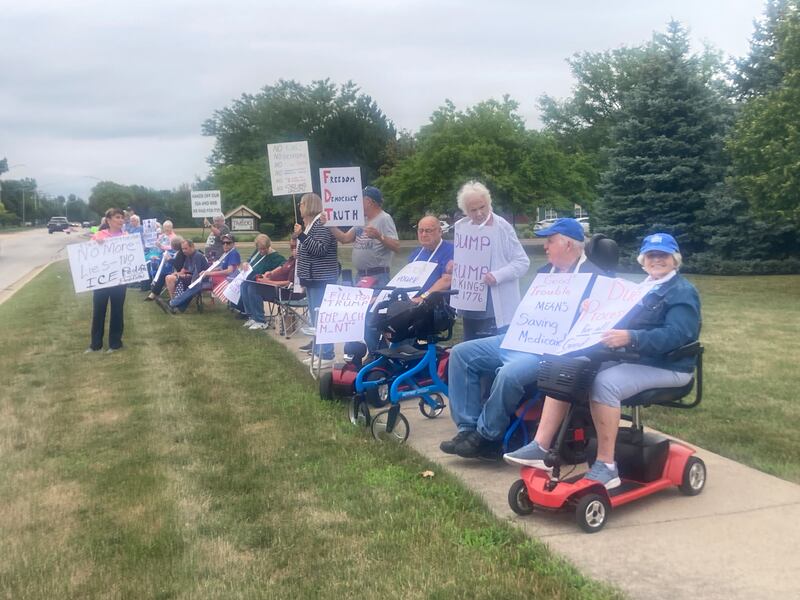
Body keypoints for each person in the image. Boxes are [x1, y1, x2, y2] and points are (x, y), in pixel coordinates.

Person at [504, 233, 701, 490]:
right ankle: (540, 446)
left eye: (663, 255)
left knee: (605, 383)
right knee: (568, 368)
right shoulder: (640, 289)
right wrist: (595, 309)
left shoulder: (682, 292)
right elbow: (616, 317)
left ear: (675, 259)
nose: (657, 260)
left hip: (668, 365)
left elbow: (677, 335)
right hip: (634, 359)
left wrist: (631, 337)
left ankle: (607, 466)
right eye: (651, 255)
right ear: (643, 260)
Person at [441, 217, 611, 459]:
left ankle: (486, 435)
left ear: (569, 245)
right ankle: (466, 428)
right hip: (522, 338)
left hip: (553, 351)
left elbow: (600, 325)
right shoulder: (544, 274)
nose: (545, 246)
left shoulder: (596, 279)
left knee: (509, 374)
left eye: (550, 241)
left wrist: (588, 312)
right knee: (461, 353)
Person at [453, 181, 529, 340]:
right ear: (465, 211)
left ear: (489, 203)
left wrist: (498, 275)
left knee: (490, 351)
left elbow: (522, 262)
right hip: (470, 306)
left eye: (482, 207)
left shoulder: (502, 227)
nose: (479, 213)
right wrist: (454, 265)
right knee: (469, 349)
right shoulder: (462, 228)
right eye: (473, 210)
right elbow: (465, 260)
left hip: (495, 309)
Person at [293, 192, 339, 368]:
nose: (299, 206)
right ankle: (320, 352)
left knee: (321, 318)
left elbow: (320, 249)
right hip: (312, 278)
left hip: (321, 279)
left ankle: (327, 354)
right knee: (315, 318)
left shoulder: (321, 223)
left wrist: (301, 236)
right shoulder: (311, 224)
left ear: (309, 205)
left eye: (302, 203)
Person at [326, 186, 399, 289]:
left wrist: (379, 236)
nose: (357, 203)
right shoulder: (361, 220)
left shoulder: (385, 218)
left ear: (368, 201)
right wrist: (329, 225)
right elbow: (345, 239)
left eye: (359, 200)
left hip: (378, 276)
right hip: (360, 276)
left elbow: (396, 246)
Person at [86, 207, 128, 353]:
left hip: (119, 280)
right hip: (101, 280)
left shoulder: (126, 236)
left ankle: (115, 344)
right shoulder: (99, 234)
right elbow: (87, 253)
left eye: (122, 217)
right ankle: (95, 345)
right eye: (117, 217)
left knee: (117, 311)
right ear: (108, 220)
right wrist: (94, 243)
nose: (120, 220)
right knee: (98, 311)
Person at [241, 241, 300, 330]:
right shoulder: (291, 260)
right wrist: (270, 273)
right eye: (292, 247)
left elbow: (288, 283)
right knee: (246, 284)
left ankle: (261, 321)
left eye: (296, 247)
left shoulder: (299, 264)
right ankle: (252, 317)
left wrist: (268, 282)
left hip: (286, 292)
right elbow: (281, 268)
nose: (294, 250)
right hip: (276, 287)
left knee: (253, 288)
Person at [154, 239, 209, 314]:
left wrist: (188, 279)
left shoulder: (197, 256)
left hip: (202, 280)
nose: (184, 251)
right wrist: (178, 274)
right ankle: (175, 306)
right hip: (193, 278)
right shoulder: (188, 256)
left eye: (186, 248)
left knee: (190, 286)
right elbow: (184, 269)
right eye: (182, 249)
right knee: (170, 277)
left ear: (192, 247)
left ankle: (171, 304)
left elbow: (197, 273)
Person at [409, 215, 455, 300]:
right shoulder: (415, 253)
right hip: (412, 299)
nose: (424, 234)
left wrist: (423, 297)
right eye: (421, 231)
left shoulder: (450, 251)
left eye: (428, 231)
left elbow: (446, 280)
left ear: (440, 231)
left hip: (436, 303)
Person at [145, 236, 184, 301]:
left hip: (180, 272)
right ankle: (154, 293)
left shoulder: (181, 253)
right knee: (163, 274)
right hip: (176, 271)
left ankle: (154, 294)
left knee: (163, 275)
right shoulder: (179, 252)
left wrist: (169, 259)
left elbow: (178, 265)